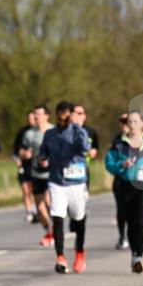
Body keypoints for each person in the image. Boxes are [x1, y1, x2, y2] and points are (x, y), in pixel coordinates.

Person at [106, 111, 143, 272]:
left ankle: (139, 256)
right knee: (131, 223)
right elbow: (109, 163)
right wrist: (121, 165)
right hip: (126, 186)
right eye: (130, 122)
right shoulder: (119, 143)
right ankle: (134, 255)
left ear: (141, 124)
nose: (132, 125)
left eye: (135, 122)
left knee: (140, 221)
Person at [38, 101, 90, 274]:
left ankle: (80, 252)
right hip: (57, 181)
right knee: (58, 218)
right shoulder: (49, 134)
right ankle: (60, 257)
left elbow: (85, 148)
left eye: (66, 114)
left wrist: (77, 126)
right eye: (60, 113)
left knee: (78, 219)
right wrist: (42, 158)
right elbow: (43, 151)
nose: (63, 117)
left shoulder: (77, 132)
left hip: (76, 183)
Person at [21, 104, 54, 246]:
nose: (36, 117)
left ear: (46, 116)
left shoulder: (54, 131)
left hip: (52, 173)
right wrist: (25, 154)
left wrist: (50, 161)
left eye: (39, 114)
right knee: (40, 207)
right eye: (35, 114)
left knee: (49, 203)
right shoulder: (29, 134)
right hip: (36, 173)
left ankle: (55, 229)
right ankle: (49, 231)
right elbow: (22, 151)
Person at [13, 110, 37, 223]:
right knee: (24, 188)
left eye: (33, 118)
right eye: (29, 118)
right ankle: (29, 212)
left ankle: (34, 209)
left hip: (36, 165)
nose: (31, 120)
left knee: (33, 189)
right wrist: (18, 159)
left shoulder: (39, 131)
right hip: (24, 165)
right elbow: (16, 150)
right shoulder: (22, 132)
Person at [112, 113, 130, 249]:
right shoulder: (116, 140)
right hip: (120, 180)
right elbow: (111, 160)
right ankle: (122, 236)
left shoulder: (141, 138)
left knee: (135, 212)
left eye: (127, 121)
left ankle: (134, 235)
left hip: (137, 181)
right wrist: (120, 165)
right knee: (121, 210)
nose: (124, 124)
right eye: (122, 121)